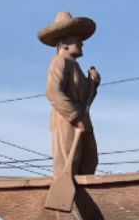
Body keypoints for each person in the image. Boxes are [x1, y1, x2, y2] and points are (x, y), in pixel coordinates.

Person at [38, 11, 101, 176]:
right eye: (76, 38)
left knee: (89, 160)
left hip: (82, 118)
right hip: (66, 119)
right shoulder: (59, 62)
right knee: (69, 164)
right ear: (64, 42)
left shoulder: (75, 66)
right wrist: (75, 117)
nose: (81, 43)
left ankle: (84, 195)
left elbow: (85, 99)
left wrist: (92, 84)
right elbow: (53, 92)